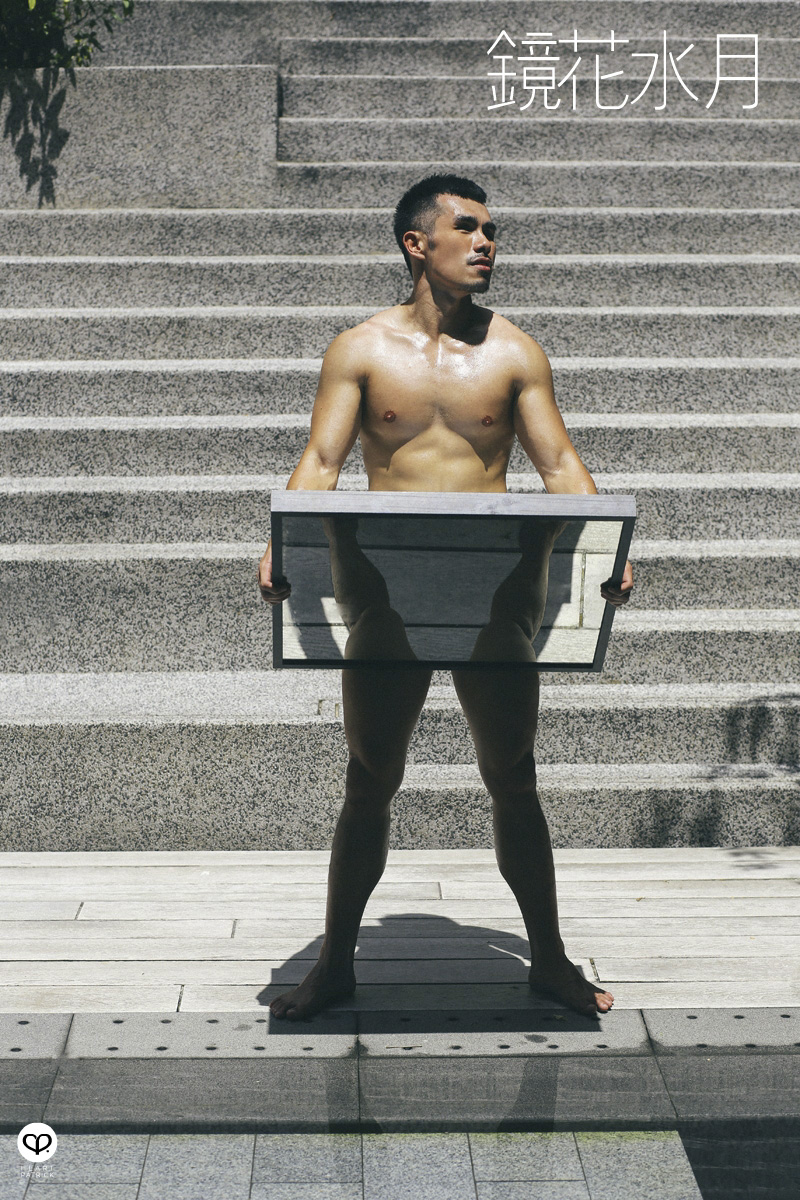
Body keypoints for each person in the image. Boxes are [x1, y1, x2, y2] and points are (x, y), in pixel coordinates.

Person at [258, 174, 633, 1020]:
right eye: (467, 228)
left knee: (513, 776)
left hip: (493, 592)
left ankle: (548, 961)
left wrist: (611, 545)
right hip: (383, 591)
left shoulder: (514, 353)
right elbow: (319, 466)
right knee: (369, 779)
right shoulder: (359, 350)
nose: (487, 242)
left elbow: (561, 467)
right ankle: (337, 967)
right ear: (416, 244)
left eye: (492, 229)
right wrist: (278, 547)